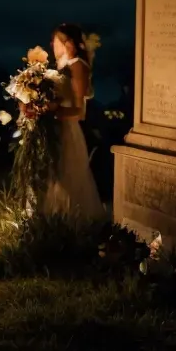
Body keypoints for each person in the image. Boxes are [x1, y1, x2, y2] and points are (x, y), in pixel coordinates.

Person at [43, 22, 107, 222]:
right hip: (55, 128)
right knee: (54, 177)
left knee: (69, 178)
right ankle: (53, 221)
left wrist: (52, 111)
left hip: (67, 130)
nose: (55, 46)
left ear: (70, 42)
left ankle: (73, 223)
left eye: (60, 41)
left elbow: (79, 111)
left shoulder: (78, 65)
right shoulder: (61, 66)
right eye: (54, 41)